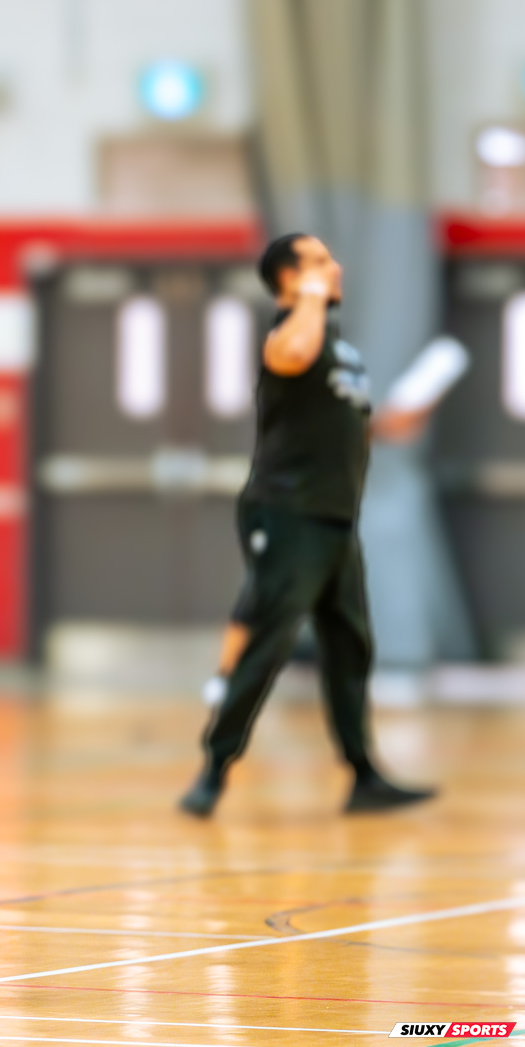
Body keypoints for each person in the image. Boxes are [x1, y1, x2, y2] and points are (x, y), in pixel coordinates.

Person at [180, 233, 437, 818]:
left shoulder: (338, 349)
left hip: (334, 518)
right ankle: (214, 770)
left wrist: (393, 425)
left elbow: (342, 423)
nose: (336, 267)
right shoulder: (292, 334)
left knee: (351, 646)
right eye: (321, 261)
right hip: (288, 513)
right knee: (268, 640)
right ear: (292, 279)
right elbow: (290, 355)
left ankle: (363, 774)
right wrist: (311, 300)